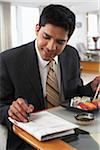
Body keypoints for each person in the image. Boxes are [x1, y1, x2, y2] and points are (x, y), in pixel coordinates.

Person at [0, 4, 100, 150]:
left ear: (68, 39)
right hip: (29, 141)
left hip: (72, 132)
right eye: (46, 37)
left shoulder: (71, 55)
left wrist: (90, 88)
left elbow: (75, 94)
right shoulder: (8, 60)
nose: (51, 47)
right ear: (37, 29)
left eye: (60, 42)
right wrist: (10, 110)